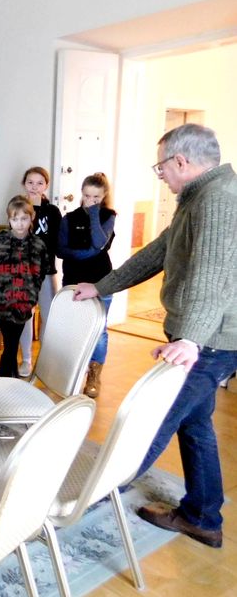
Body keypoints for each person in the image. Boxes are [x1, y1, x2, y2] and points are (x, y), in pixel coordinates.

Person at [74, 123, 237, 549]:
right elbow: (159, 252)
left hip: (209, 341)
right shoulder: (198, 196)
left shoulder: (218, 200)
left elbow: (213, 277)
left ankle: (78, 502)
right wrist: (102, 286)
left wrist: (190, 339)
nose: (159, 174)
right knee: (195, 425)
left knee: (150, 420)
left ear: (181, 161)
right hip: (203, 337)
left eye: (160, 166)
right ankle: (202, 516)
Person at [57, 172, 116, 397]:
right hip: (73, 278)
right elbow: (61, 250)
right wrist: (86, 253)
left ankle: (94, 375)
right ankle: (72, 370)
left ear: (104, 196)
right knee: (73, 327)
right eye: (87, 196)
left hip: (101, 280)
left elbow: (100, 242)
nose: (90, 200)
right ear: (81, 193)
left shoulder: (108, 216)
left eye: (96, 197)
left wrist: (93, 214)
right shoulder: (69, 218)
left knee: (99, 329)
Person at [0, 196, 48, 378]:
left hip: (24, 302)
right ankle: (9, 377)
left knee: (11, 343)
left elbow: (41, 272)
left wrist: (32, 294)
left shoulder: (38, 245)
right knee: (11, 343)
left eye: (24, 218)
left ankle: (5, 377)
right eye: (15, 219)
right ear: (9, 219)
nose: (19, 223)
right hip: (2, 302)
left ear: (32, 218)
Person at [17, 166, 60, 377]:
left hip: (46, 271)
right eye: (30, 182)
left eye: (39, 183)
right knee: (25, 315)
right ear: (24, 184)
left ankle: (46, 359)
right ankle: (26, 359)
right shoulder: (18, 207)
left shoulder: (53, 212)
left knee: (49, 316)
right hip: (24, 272)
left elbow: (56, 243)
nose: (34, 187)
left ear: (46, 186)